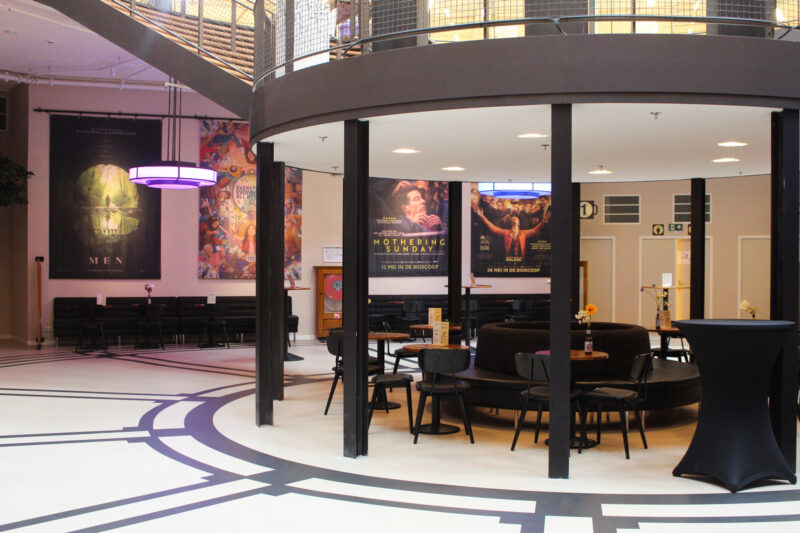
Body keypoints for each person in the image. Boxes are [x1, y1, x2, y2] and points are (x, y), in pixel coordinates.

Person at [473, 205, 551, 259]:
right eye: (512, 219)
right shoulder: (506, 232)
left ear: (519, 223)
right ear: (510, 223)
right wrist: (483, 217)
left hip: (521, 261)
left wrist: (544, 221)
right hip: (508, 261)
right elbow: (493, 228)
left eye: (516, 218)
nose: (514, 219)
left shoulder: (523, 233)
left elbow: (534, 230)